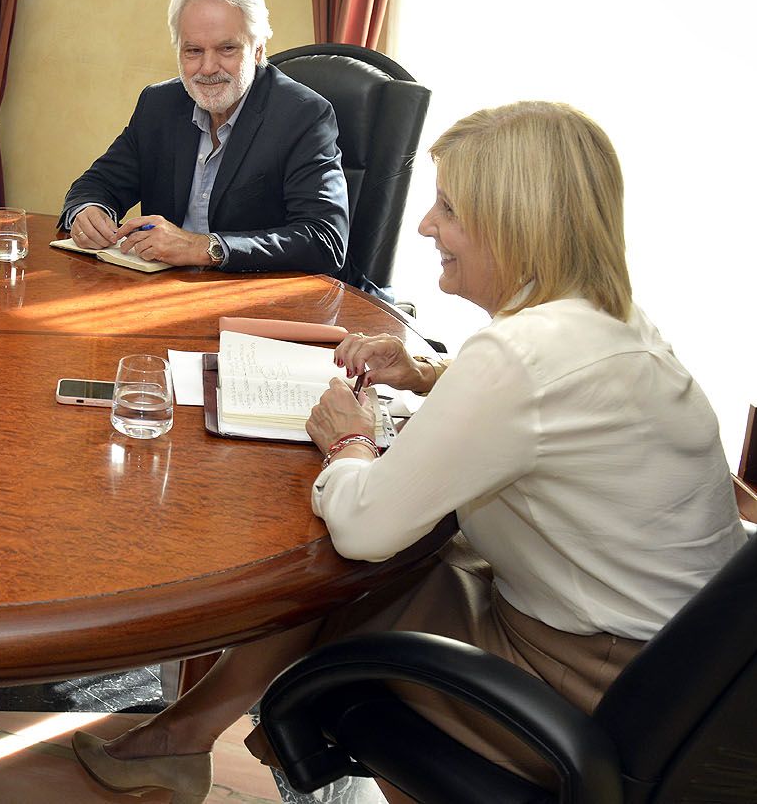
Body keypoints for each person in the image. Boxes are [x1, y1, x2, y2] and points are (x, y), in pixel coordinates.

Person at [72, 101, 745, 801]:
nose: (426, 224)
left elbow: (365, 527)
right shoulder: (611, 321)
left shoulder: (520, 354)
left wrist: (349, 440)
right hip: (686, 680)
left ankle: (181, 741)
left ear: (513, 221)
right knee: (377, 554)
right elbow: (551, 410)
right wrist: (426, 373)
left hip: (588, 683)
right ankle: (179, 739)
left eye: (448, 207)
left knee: (339, 564)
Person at [60, 0, 349, 275]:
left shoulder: (303, 115)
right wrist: (88, 211)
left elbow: (323, 240)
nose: (208, 68)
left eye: (227, 49)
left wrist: (202, 247)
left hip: (259, 301)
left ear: (258, 50)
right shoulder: (159, 105)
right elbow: (98, 184)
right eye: (193, 51)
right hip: (164, 294)